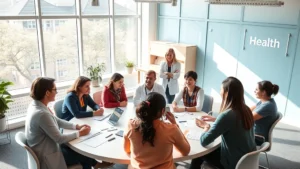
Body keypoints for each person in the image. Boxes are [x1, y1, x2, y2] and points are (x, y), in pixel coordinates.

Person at [25, 77, 112, 169]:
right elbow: (59, 139)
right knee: (83, 153)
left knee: (80, 149)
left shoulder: (35, 105)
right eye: (55, 89)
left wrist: (76, 126)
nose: (56, 92)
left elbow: (57, 120)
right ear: (47, 93)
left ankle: (94, 164)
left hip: (45, 146)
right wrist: (80, 133)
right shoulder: (42, 114)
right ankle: (96, 164)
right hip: (49, 154)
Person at [189, 77, 256, 169]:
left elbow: (204, 141)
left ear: (226, 93)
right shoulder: (246, 109)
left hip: (233, 161)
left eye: (221, 89)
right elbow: (233, 124)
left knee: (198, 153)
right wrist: (216, 120)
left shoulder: (227, 115)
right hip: (247, 159)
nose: (220, 91)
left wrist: (206, 127)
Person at [124, 92, 190, 169]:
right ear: (163, 111)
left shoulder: (131, 125)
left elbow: (127, 149)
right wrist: (175, 124)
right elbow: (186, 151)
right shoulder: (172, 129)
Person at [250, 80, 279, 145]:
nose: (254, 91)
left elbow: (248, 118)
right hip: (252, 134)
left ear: (263, 92)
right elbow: (248, 110)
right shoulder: (263, 101)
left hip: (257, 138)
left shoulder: (267, 106)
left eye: (256, 89)